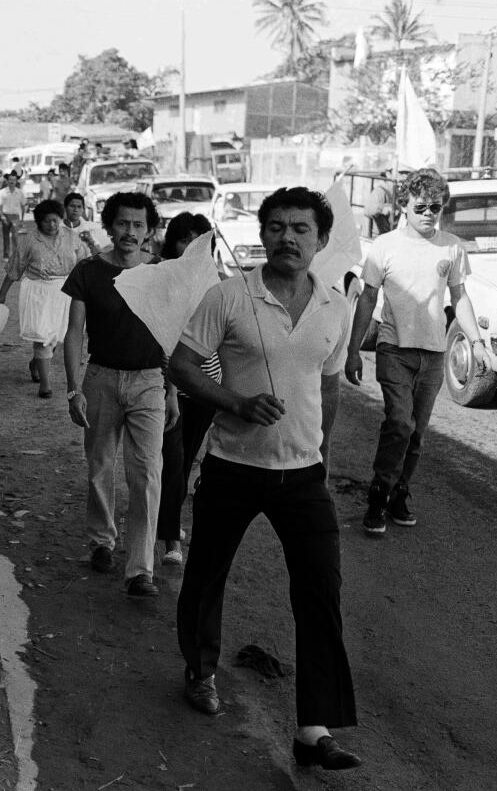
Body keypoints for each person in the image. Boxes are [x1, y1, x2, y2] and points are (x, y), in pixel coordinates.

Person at [170, 187, 362, 771]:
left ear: (321, 240)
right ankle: (200, 672)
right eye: (276, 226)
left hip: (303, 475)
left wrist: (323, 450)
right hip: (233, 466)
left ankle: (313, 728)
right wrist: (235, 401)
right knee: (205, 575)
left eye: (301, 228)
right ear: (263, 234)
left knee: (320, 592)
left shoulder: (336, 305)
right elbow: (179, 363)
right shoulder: (229, 295)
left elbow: (328, 384)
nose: (288, 237)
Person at [345, 168, 488, 536]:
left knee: (418, 433)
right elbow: (367, 298)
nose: (428, 213)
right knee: (399, 423)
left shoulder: (452, 247)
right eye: (420, 206)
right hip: (394, 349)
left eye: (435, 207)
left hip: (434, 354)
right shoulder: (385, 247)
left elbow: (460, 299)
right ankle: (378, 496)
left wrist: (475, 342)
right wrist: (353, 350)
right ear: (404, 207)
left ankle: (399, 493)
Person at [62, 192, 177, 596]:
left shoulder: (162, 272)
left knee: (147, 473)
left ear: (149, 231)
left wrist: (173, 391)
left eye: (138, 225)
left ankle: (140, 568)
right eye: (123, 223)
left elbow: (172, 334)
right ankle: (100, 542)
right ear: (109, 226)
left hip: (149, 381)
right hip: (100, 379)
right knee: (99, 465)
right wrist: (75, 389)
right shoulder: (89, 271)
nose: (130, 232)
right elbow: (75, 332)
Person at [153, 212, 217, 567]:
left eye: (199, 241)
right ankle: (170, 539)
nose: (191, 247)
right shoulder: (162, 279)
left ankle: (167, 520)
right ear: (173, 242)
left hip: (206, 388)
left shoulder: (215, 283)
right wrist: (169, 388)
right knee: (172, 464)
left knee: (185, 460)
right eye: (184, 240)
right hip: (167, 385)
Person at [0, 199, 85, 398]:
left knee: (55, 338)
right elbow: (15, 269)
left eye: (55, 221)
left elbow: (85, 264)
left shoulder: (72, 237)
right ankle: (45, 385)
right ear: (38, 222)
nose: (52, 225)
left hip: (65, 292)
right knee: (42, 338)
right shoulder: (29, 240)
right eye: (47, 222)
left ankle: (36, 363)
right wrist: (2, 294)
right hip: (37, 292)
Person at [0, 171, 26, 261]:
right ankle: (6, 255)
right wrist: (1, 216)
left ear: (16, 181)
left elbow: (23, 206)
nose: (12, 182)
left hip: (15, 217)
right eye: (10, 180)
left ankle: (16, 255)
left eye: (14, 180)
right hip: (5, 216)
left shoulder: (20, 193)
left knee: (15, 237)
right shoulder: (2, 192)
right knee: (6, 236)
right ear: (7, 181)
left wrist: (22, 220)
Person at [363, 170, 397, 236]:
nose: (404, 176)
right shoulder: (380, 191)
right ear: (388, 174)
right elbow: (368, 210)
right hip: (377, 237)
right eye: (401, 173)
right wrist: (382, 208)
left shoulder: (394, 191)